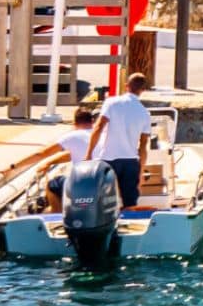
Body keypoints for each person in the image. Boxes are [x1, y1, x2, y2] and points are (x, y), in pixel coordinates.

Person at [84, 71, 154, 210]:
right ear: (143, 90)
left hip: (108, 159)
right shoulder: (145, 113)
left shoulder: (111, 103)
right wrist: (141, 170)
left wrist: (89, 154)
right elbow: (143, 146)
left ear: (126, 86)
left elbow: (98, 127)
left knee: (102, 201)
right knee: (130, 204)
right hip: (130, 162)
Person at [39, 103, 100, 210]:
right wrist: (50, 162)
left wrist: (13, 167)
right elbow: (72, 154)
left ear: (74, 123)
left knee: (52, 185)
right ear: (92, 121)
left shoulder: (73, 136)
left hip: (81, 184)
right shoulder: (102, 134)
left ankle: (57, 213)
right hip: (101, 182)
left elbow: (41, 153)